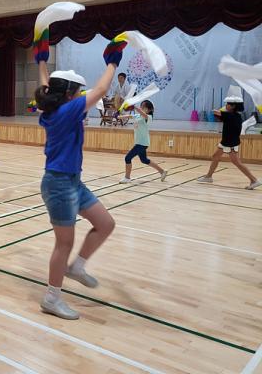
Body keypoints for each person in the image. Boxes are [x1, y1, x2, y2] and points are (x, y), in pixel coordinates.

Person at [34, 35, 122, 320]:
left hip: (72, 181)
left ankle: (77, 267)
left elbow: (47, 85)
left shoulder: (50, 108)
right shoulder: (69, 110)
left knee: (105, 223)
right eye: (78, 90)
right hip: (59, 184)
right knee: (64, 244)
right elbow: (102, 88)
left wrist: (42, 60)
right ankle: (51, 298)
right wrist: (113, 60)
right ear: (70, 93)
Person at [198, 95, 260, 190]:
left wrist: (223, 109)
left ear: (233, 106)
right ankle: (208, 176)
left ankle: (254, 180)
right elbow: (217, 115)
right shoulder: (235, 116)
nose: (226, 106)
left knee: (237, 162)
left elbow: (215, 112)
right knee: (215, 156)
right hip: (227, 142)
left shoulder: (230, 115)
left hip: (229, 143)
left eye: (227, 104)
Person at [119, 100, 167, 183]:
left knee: (127, 158)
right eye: (141, 106)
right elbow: (130, 116)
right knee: (144, 160)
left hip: (142, 143)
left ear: (148, 110)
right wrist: (119, 117)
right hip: (139, 142)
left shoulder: (148, 117)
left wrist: (134, 107)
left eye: (143, 107)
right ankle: (162, 171)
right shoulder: (138, 116)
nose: (141, 108)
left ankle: (127, 178)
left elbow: (143, 114)